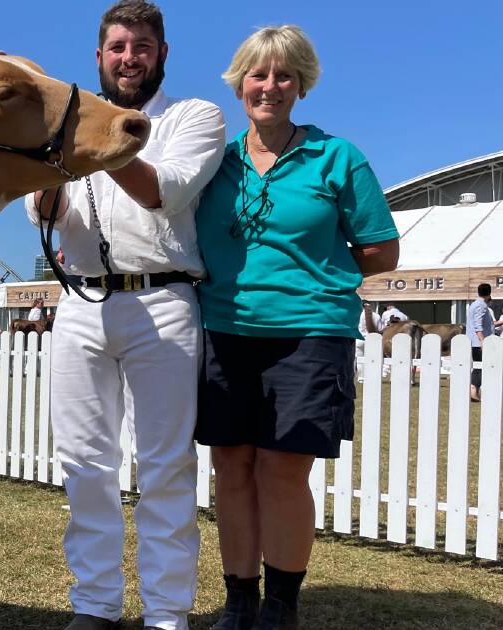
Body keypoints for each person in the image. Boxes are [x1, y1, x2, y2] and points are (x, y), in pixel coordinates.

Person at [27, 2, 225, 628]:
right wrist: (58, 161)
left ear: (162, 53)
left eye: (142, 46)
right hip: (82, 299)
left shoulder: (195, 117)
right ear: (99, 57)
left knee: (165, 465)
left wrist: (94, 142)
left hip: (162, 301)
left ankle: (167, 613)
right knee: (85, 463)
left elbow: (164, 191)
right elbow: (44, 214)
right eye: (117, 47)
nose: (129, 57)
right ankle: (95, 605)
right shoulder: (74, 124)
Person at [194, 25, 399, 629]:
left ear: (302, 84)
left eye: (285, 75)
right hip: (222, 329)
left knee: (283, 469)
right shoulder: (216, 161)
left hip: (310, 331)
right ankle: (238, 601)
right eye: (259, 74)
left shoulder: (338, 157)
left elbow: (382, 251)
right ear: (240, 83)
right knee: (230, 466)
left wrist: (319, 272)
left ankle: (281, 605)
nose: (271, 86)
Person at [468, 283, 496, 402]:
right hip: (479, 343)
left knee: (478, 366)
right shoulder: (482, 306)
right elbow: (478, 325)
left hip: (474, 342)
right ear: (489, 293)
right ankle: (473, 391)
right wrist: (483, 340)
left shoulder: (474, 304)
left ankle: (475, 391)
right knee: (480, 367)